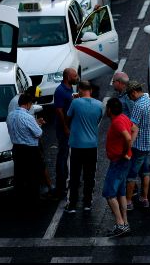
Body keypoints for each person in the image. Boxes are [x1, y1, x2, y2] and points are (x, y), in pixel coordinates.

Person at [65, 80, 104, 214]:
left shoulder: (75, 103)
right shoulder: (99, 105)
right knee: (90, 176)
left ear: (80, 90)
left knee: (73, 176)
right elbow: (98, 120)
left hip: (76, 145)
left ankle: (72, 205)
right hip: (91, 145)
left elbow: (68, 117)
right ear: (91, 90)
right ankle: (87, 203)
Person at [102, 98, 137, 237]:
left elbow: (128, 137)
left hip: (118, 162)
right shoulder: (124, 117)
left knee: (109, 193)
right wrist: (128, 150)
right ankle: (125, 223)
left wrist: (125, 151)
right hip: (122, 162)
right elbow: (135, 129)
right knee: (121, 193)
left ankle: (120, 224)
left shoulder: (117, 122)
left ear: (110, 109)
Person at [6, 91, 46, 205]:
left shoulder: (10, 115)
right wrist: (39, 125)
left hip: (16, 149)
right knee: (33, 176)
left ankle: (20, 200)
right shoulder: (27, 117)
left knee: (19, 176)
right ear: (28, 104)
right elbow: (38, 133)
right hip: (30, 151)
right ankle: (33, 201)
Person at [125, 81, 150, 210]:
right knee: (145, 172)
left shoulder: (138, 106)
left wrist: (128, 145)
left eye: (130, 95)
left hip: (138, 145)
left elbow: (133, 127)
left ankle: (128, 202)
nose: (130, 98)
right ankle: (144, 198)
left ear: (133, 92)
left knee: (131, 174)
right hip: (148, 143)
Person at [53, 68, 79, 200]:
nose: (77, 77)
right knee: (63, 156)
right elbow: (59, 111)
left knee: (68, 155)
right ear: (68, 77)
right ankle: (61, 185)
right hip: (64, 129)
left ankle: (66, 180)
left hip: (70, 127)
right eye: (75, 76)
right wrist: (65, 127)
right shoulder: (60, 91)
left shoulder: (69, 89)